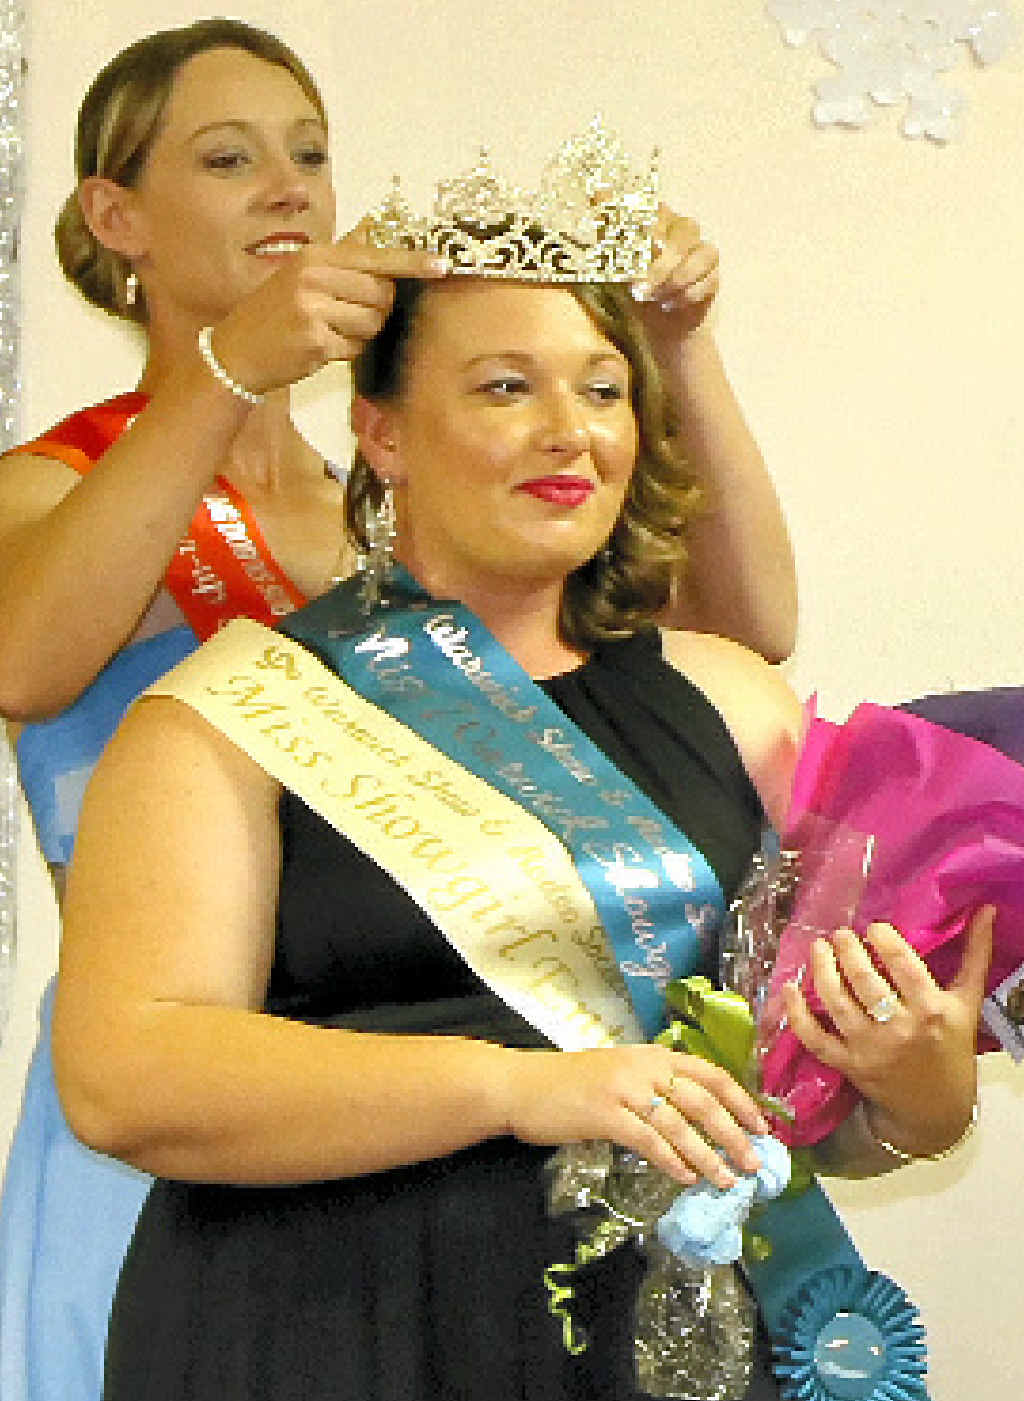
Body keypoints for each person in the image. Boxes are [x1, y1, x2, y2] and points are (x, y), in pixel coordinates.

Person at [0, 19, 793, 1395]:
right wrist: (228, 374)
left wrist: (671, 349)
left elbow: (735, 644)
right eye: (230, 157)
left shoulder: (385, 496)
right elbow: (23, 661)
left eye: (310, 153)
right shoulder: (59, 487)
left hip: (513, 1133)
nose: (292, 191)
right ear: (113, 214)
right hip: (213, 1071)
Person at [52, 269, 989, 1401]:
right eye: (506, 387)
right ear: (381, 433)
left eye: (603, 390)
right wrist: (516, 1089)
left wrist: (916, 1089)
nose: (569, 433)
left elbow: (817, 1119)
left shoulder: (737, 706)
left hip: (658, 1342)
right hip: (325, 1327)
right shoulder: (233, 713)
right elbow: (126, 1074)